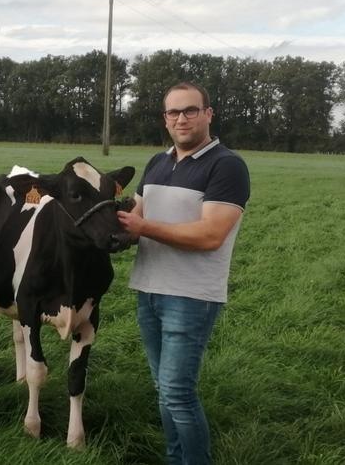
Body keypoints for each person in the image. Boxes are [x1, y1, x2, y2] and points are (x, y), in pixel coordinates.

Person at [118, 82, 250, 464]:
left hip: (191, 296)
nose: (181, 119)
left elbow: (211, 235)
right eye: (173, 113)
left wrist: (143, 229)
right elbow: (136, 218)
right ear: (165, 119)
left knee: (177, 391)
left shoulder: (227, 165)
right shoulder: (157, 163)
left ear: (208, 113)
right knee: (164, 389)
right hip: (149, 289)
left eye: (190, 110)